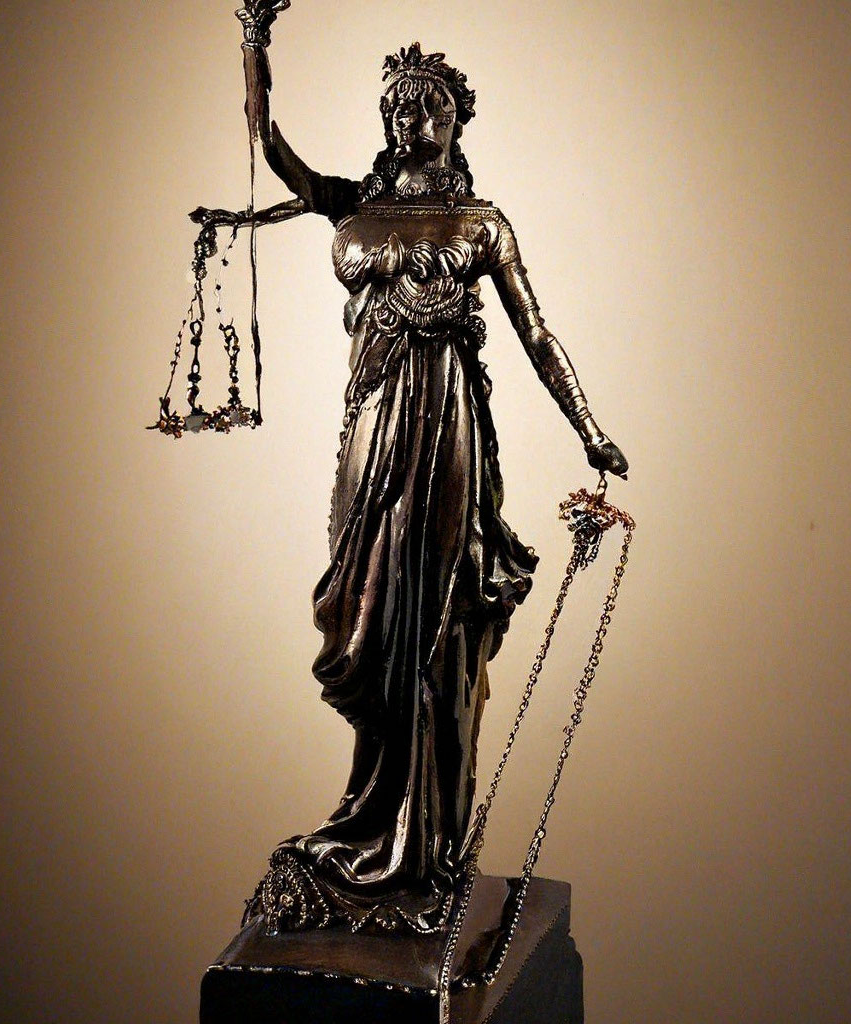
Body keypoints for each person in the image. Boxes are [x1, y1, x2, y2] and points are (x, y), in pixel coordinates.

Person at [239, 26, 628, 934]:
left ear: (458, 119)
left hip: (448, 429)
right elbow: (269, 144)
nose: (412, 118)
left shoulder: (481, 223)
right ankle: (374, 817)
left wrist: (590, 428)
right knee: (368, 614)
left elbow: (536, 333)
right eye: (399, 107)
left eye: (430, 105)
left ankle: (429, 844)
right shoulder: (353, 203)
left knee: (437, 621)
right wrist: (254, 39)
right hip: (372, 429)